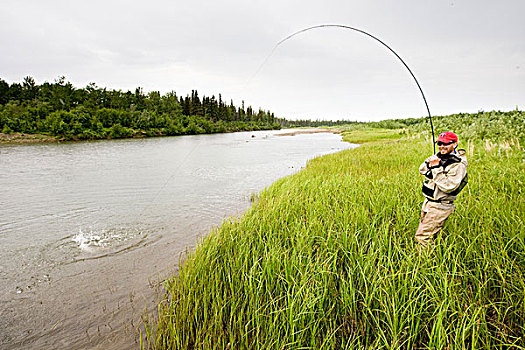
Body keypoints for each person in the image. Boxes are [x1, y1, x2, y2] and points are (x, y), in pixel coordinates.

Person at [415, 131, 468, 247]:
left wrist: (436, 167)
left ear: (455, 144)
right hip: (429, 202)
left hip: (440, 205)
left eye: (446, 143)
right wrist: (432, 162)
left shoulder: (458, 165)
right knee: (431, 235)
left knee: (423, 237)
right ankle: (435, 254)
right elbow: (422, 169)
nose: (441, 146)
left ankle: (425, 262)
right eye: (439, 143)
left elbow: (449, 186)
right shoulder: (440, 156)